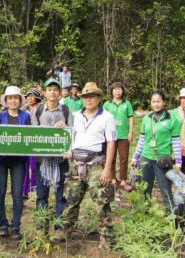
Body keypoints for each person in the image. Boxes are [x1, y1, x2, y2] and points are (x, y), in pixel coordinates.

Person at [62, 82, 117, 248]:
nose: (88, 99)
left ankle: (106, 237)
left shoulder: (107, 117)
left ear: (99, 98)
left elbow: (111, 143)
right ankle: (65, 232)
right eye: (85, 96)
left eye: (92, 96)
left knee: (102, 201)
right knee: (71, 199)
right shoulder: (75, 115)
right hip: (76, 164)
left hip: (96, 164)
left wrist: (108, 168)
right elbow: (69, 136)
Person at [31, 78, 73, 232]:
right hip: (41, 160)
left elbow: (72, 133)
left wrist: (66, 126)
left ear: (60, 92)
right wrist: (40, 130)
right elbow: (32, 134)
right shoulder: (38, 110)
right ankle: (42, 224)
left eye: (55, 89)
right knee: (41, 194)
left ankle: (59, 225)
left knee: (60, 194)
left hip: (61, 160)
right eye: (49, 90)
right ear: (45, 92)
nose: (53, 92)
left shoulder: (66, 111)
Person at [131, 91, 182, 216]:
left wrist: (179, 162)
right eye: (153, 102)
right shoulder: (147, 118)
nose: (156, 104)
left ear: (164, 102)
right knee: (145, 189)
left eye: (158, 101)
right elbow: (142, 139)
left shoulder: (172, 119)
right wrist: (135, 157)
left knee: (165, 190)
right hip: (146, 158)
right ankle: (145, 215)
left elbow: (176, 141)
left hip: (163, 160)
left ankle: (171, 218)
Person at [0, 86, 30, 239]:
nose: (13, 101)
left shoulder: (26, 117)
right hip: (0, 160)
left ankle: (15, 225)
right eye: (10, 98)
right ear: (5, 100)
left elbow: (30, 138)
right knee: (0, 191)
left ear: (20, 100)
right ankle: (2, 223)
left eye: (16, 98)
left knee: (17, 193)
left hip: (18, 161)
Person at [103, 82, 134, 189]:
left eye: (119, 89)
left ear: (122, 91)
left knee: (124, 158)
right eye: (115, 89)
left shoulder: (127, 104)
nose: (117, 91)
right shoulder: (107, 104)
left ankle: (123, 180)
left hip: (124, 135)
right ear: (111, 91)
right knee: (111, 158)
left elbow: (130, 117)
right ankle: (112, 178)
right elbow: (103, 120)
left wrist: (130, 132)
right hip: (110, 136)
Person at [23, 87, 42, 199]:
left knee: (34, 167)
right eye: (28, 96)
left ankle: (34, 190)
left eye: (32, 96)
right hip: (24, 141)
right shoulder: (23, 109)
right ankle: (24, 190)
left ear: (37, 98)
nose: (30, 98)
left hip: (35, 141)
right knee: (24, 166)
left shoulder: (40, 110)